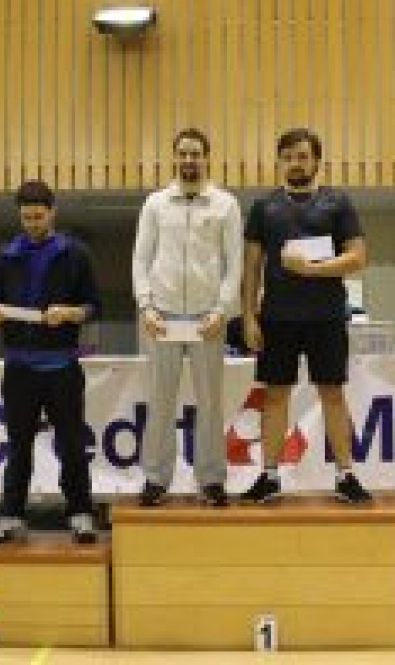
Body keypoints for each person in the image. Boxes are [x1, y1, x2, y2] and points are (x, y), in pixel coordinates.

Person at [240, 127, 371, 504]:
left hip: (326, 315)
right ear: (280, 161)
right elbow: (251, 268)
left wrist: (311, 269)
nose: (296, 163)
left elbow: (358, 257)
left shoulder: (338, 203)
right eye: (289, 156)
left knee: (332, 393)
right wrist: (249, 316)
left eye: (303, 156)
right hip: (277, 318)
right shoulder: (264, 207)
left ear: (316, 161)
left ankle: (345, 475)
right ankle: (268, 475)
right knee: (274, 394)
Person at [132, 128, 242, 507]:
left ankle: (211, 479)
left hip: (206, 318)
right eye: (183, 154)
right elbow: (141, 258)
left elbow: (234, 264)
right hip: (160, 317)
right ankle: (155, 479)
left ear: (207, 157)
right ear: (174, 157)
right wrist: (146, 306)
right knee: (160, 400)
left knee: (211, 402)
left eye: (196, 153)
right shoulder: (156, 204)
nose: (189, 160)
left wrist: (221, 310)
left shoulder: (225, 204)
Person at [0, 180, 99, 544]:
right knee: (18, 446)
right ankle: (11, 514)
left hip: (62, 366)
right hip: (18, 367)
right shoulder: (5, 255)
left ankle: (80, 513)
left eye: (38, 216)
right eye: (26, 217)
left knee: (71, 444)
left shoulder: (76, 253)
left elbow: (95, 307)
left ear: (52, 212)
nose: (32, 223)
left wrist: (70, 313)